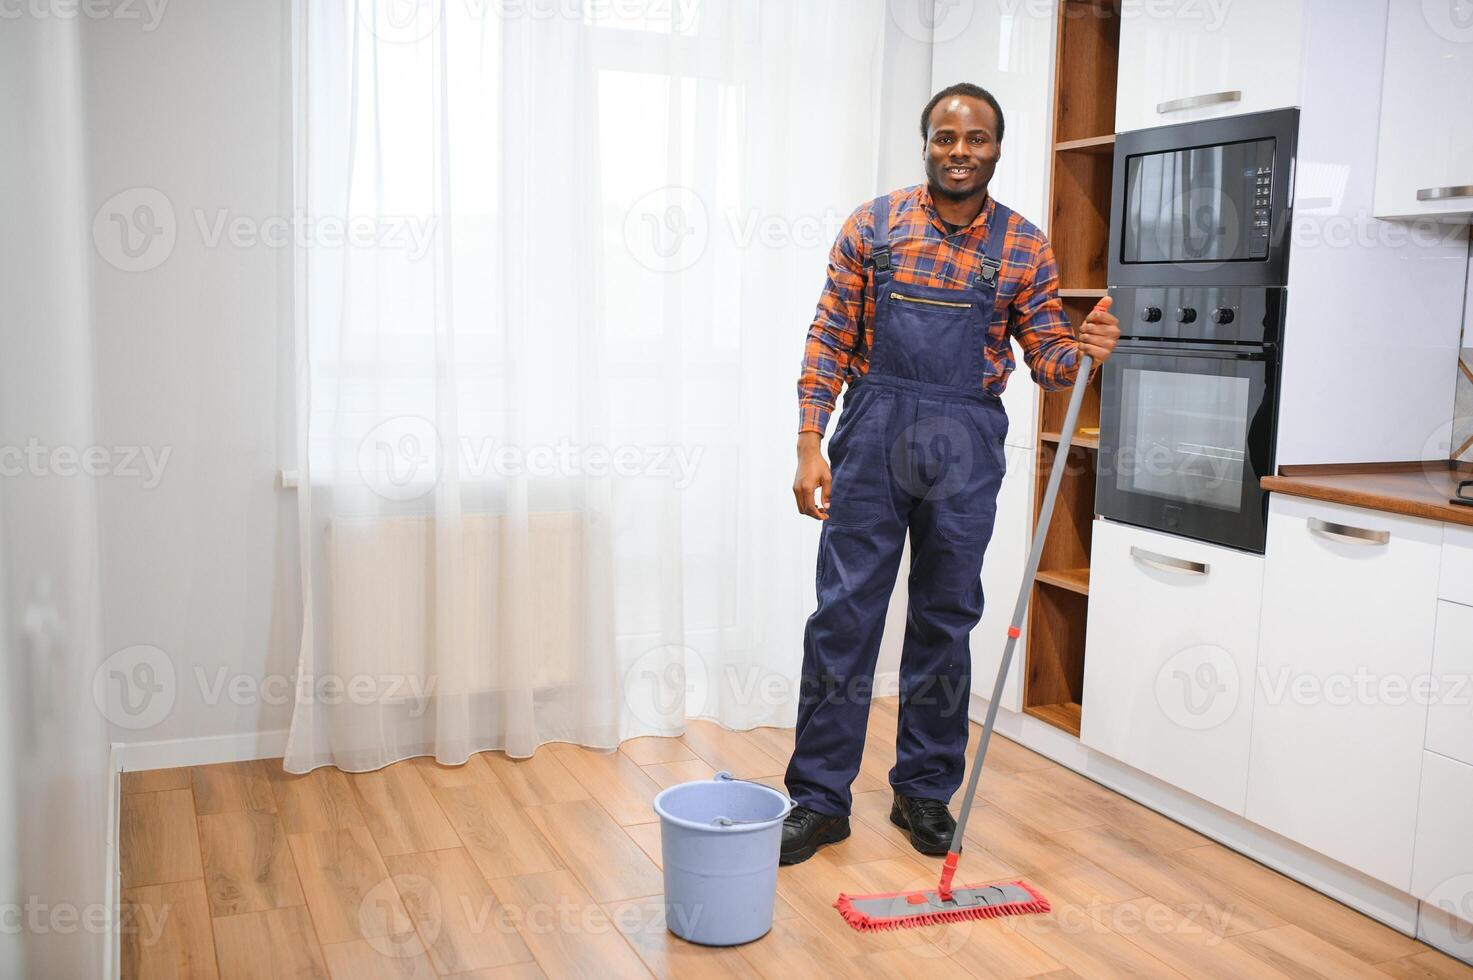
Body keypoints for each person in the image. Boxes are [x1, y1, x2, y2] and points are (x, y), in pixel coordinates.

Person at [781, 82, 1121, 864]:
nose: (959, 151)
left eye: (975, 139)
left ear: (998, 148)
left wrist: (1088, 350)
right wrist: (809, 442)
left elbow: (1049, 363)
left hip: (964, 443)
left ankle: (923, 792)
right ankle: (819, 799)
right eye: (945, 137)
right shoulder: (872, 225)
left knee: (945, 619)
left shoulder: (1025, 245)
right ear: (925, 142)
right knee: (844, 616)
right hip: (870, 437)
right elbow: (828, 337)